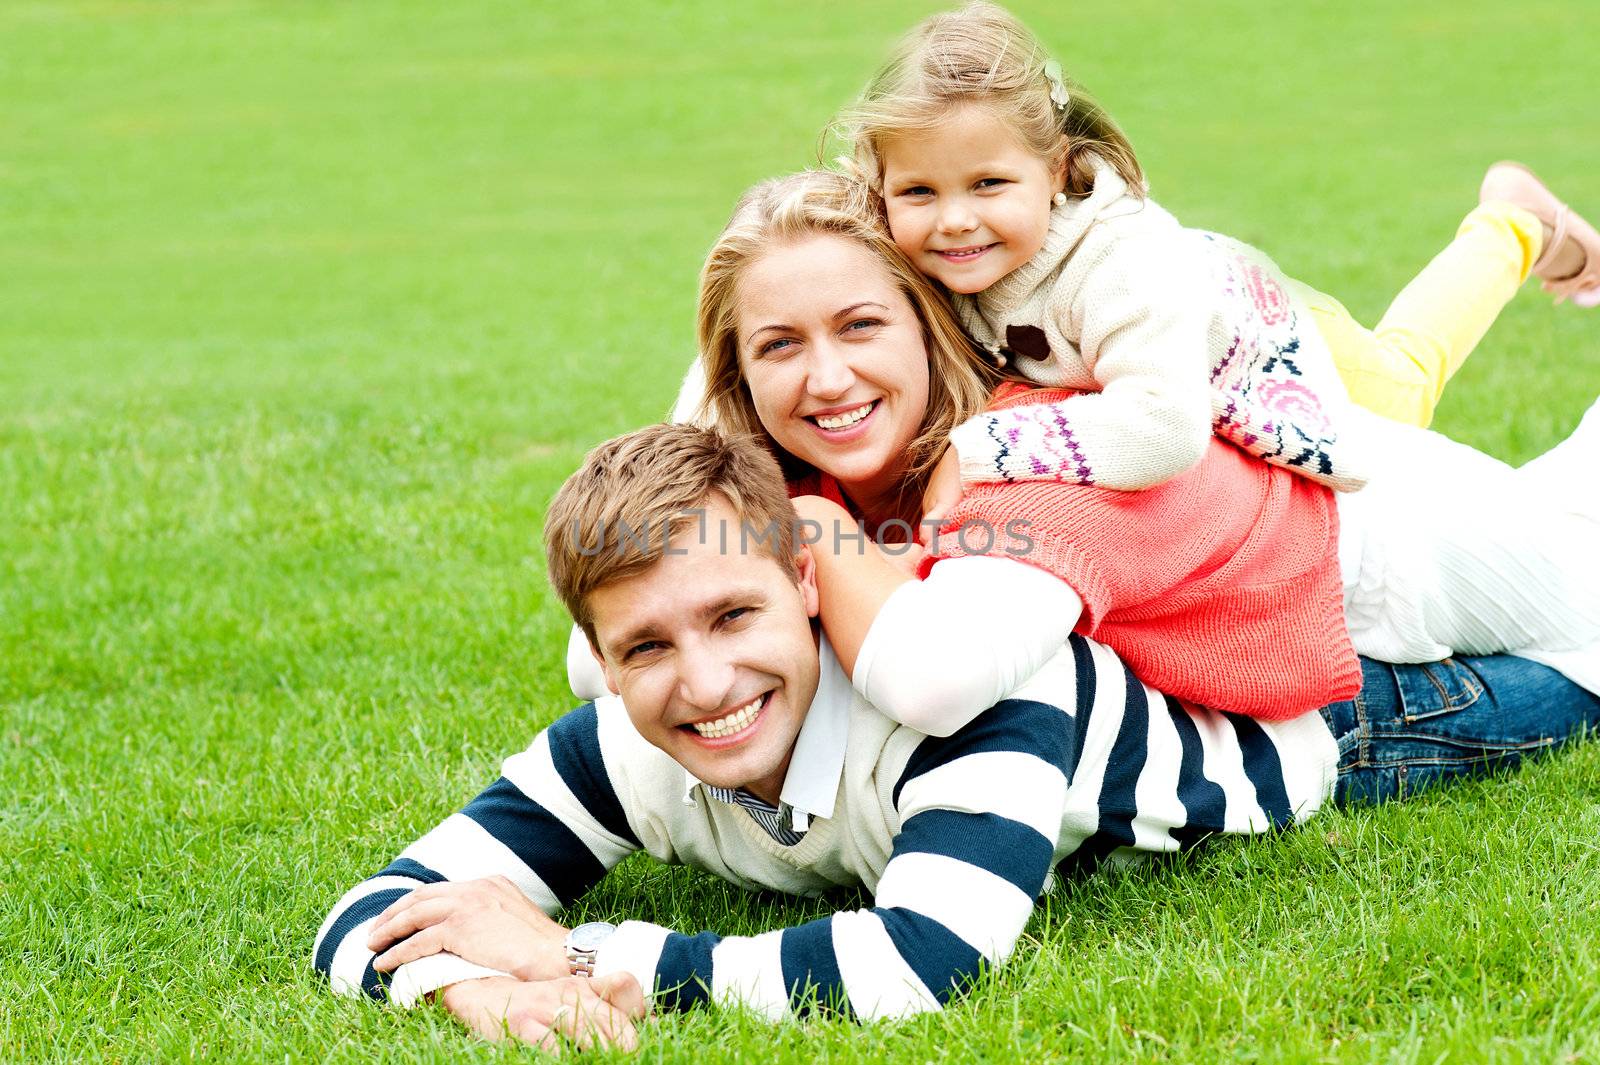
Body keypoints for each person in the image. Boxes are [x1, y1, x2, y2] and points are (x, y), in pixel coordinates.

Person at [316, 422, 1600, 1051]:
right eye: (645, 646)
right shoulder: (624, 740)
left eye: (732, 616)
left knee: (1585, 659)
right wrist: (478, 988)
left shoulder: (960, 702)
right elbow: (370, 911)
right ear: (599, 656)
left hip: (1322, 729)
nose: (701, 683)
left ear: (808, 590)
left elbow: (917, 964)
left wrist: (587, 950)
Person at [745, 2, 1600, 724]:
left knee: (1400, 396)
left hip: (1258, 361)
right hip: (1174, 347)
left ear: (1058, 171)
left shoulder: (1120, 266)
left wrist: (978, 451)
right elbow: (773, 291)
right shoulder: (932, 253)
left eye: (987, 187)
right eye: (921, 194)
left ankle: (1515, 224)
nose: (954, 221)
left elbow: (1164, 428)